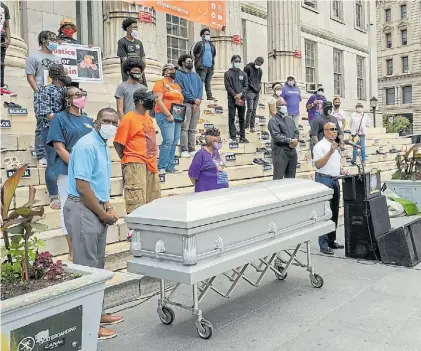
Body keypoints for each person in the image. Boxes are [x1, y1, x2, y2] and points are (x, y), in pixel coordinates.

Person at [63, 108, 124, 340]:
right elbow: (82, 187)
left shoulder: (101, 144)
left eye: (113, 121)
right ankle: (87, 325)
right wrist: (102, 213)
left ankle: (97, 313)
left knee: (97, 266)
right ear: (96, 122)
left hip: (96, 205)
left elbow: (98, 181)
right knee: (86, 269)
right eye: (105, 121)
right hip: (83, 208)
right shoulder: (87, 145)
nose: (109, 124)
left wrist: (107, 205)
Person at [47, 86, 94, 261]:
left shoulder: (87, 119)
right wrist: (76, 166)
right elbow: (59, 148)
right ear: (67, 99)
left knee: (87, 210)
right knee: (68, 211)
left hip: (88, 172)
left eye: (82, 94)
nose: (80, 97)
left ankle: (87, 249)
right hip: (68, 171)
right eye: (76, 95)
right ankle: (72, 251)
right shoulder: (59, 119)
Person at [114, 90, 161, 214]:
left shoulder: (148, 117)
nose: (153, 102)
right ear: (141, 101)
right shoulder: (128, 118)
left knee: (153, 201)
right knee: (136, 202)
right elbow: (118, 142)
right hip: (135, 163)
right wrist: (126, 157)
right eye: (149, 99)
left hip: (151, 164)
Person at [34, 64, 72, 211]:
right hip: (50, 130)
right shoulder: (43, 91)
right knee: (51, 163)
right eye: (65, 72)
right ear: (58, 75)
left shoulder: (67, 91)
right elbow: (44, 113)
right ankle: (54, 196)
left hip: (68, 132)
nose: (68, 75)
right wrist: (63, 120)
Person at [26, 30, 60, 166]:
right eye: (51, 39)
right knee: (41, 125)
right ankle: (41, 154)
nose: (54, 42)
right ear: (43, 40)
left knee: (56, 123)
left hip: (55, 94)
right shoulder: (33, 57)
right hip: (42, 93)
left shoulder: (57, 58)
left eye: (55, 39)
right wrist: (38, 92)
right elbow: (30, 76)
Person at [313, 122, 346, 255]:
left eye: (336, 129)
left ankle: (332, 240)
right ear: (324, 131)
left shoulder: (336, 145)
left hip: (335, 179)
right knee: (325, 212)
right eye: (331, 129)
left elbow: (334, 163)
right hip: (323, 179)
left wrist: (341, 170)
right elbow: (318, 164)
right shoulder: (319, 146)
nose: (334, 132)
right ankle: (323, 243)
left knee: (334, 212)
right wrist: (330, 151)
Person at [152, 63, 184, 174]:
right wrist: (168, 115)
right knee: (168, 140)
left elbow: (180, 100)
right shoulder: (160, 83)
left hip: (177, 114)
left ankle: (170, 166)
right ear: (165, 71)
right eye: (171, 69)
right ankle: (162, 166)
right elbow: (158, 100)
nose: (174, 71)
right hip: (164, 114)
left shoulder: (177, 85)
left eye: (175, 69)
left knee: (174, 140)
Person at [175, 54, 203, 158]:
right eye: (188, 61)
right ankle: (184, 150)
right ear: (182, 62)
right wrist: (193, 100)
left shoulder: (196, 76)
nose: (190, 62)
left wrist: (198, 100)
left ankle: (192, 149)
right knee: (184, 127)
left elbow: (200, 88)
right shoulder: (178, 74)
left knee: (193, 128)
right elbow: (181, 89)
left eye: (191, 61)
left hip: (196, 104)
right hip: (184, 103)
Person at [188, 128, 229, 192]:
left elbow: (220, 168)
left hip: (219, 190)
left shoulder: (216, 152)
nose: (220, 143)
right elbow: (192, 175)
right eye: (218, 141)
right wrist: (201, 186)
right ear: (212, 142)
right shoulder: (200, 154)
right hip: (205, 192)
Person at [268, 103, 299, 180]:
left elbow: (296, 131)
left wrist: (295, 139)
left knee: (291, 177)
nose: (284, 106)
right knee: (278, 176)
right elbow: (276, 136)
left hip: (292, 150)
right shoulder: (273, 121)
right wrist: (290, 140)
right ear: (277, 107)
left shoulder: (290, 120)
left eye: (285, 104)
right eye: (282, 104)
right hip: (280, 151)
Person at [224, 55, 249, 143]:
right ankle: (233, 136)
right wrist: (235, 95)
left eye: (239, 61)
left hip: (242, 99)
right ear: (232, 62)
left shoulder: (244, 74)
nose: (237, 63)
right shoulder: (227, 73)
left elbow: (246, 86)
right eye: (236, 61)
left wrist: (241, 94)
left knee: (242, 118)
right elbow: (228, 87)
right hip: (232, 99)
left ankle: (242, 136)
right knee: (231, 118)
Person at [117, 17, 147, 86]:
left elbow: (143, 61)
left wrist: (140, 74)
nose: (136, 29)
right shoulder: (122, 42)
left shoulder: (139, 43)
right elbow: (125, 62)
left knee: (143, 94)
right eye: (134, 27)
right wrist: (134, 75)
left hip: (140, 76)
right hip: (128, 76)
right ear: (128, 29)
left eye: (137, 27)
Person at [192, 28, 216, 101]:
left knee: (208, 82)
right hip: (202, 66)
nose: (208, 35)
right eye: (206, 34)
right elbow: (193, 53)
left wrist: (212, 65)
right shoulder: (199, 44)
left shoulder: (212, 45)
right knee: (200, 81)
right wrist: (198, 63)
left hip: (209, 66)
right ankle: (199, 96)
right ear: (202, 35)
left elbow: (214, 54)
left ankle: (209, 96)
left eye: (208, 34)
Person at [244, 57, 264, 132]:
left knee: (254, 109)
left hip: (257, 92)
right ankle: (246, 126)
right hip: (250, 91)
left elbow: (259, 80)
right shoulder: (248, 67)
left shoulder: (260, 70)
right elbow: (245, 79)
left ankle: (252, 126)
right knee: (250, 109)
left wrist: (258, 88)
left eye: (260, 64)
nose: (258, 65)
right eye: (257, 63)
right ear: (255, 60)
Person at [1, 1, 16, 96]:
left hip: (1, 36)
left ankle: (1, 85)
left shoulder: (4, 7)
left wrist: (8, 37)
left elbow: (6, 25)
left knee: (1, 61)